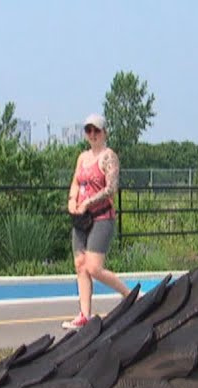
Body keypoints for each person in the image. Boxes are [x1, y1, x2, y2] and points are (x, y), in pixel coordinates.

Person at [63, 112, 131, 329]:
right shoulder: (82, 158)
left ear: (104, 133)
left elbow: (111, 189)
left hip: (101, 217)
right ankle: (84, 314)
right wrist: (73, 200)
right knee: (80, 265)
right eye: (88, 130)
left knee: (94, 267)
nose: (92, 134)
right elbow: (75, 181)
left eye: (96, 130)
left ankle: (129, 295)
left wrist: (88, 202)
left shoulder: (108, 157)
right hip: (81, 218)